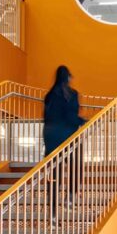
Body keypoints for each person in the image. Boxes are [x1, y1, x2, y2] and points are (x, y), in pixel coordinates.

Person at [43, 66, 85, 217]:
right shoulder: (71, 95)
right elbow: (70, 116)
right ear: (68, 77)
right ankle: (70, 196)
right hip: (67, 137)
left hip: (50, 138)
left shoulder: (49, 96)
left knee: (54, 175)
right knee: (77, 166)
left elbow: (46, 118)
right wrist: (83, 121)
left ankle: (53, 213)